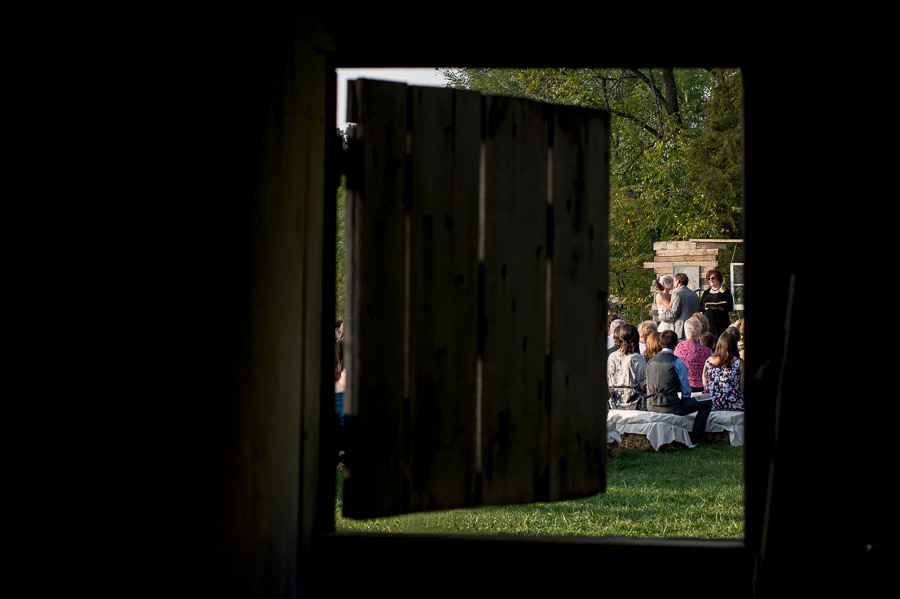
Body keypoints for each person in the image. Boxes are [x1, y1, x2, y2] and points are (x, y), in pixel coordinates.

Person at [646, 329, 713, 444]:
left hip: (651, 405)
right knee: (707, 401)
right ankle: (695, 438)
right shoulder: (678, 362)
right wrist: (685, 401)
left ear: (660, 344)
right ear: (676, 344)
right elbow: (686, 390)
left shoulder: (649, 362)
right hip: (672, 407)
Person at [606, 323, 647, 410]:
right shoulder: (638, 358)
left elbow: (609, 381)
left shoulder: (612, 356)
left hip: (615, 402)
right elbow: (643, 386)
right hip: (634, 403)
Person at [703, 330, 744, 411]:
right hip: (732, 404)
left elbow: (705, 385)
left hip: (711, 403)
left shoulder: (708, 361)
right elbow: (742, 389)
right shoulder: (739, 363)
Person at [674, 317, 712, 392]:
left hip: (682, 387)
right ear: (699, 333)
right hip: (700, 388)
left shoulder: (678, 348)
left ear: (685, 332)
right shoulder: (706, 351)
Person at [699, 268, 734, 337]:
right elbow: (699, 307)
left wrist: (721, 308)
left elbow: (730, 307)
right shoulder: (706, 292)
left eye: (713, 278)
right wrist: (705, 308)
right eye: (708, 279)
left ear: (718, 278)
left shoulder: (725, 291)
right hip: (708, 324)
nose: (710, 280)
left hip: (721, 324)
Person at [670, 272, 700, 341]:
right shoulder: (694, 294)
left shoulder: (677, 294)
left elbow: (674, 314)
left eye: (674, 281)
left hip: (681, 330)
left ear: (677, 281)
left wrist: (662, 316)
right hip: (694, 327)